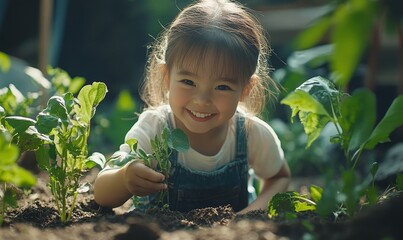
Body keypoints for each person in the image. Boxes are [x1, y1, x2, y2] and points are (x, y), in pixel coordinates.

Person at [93, 0, 291, 214]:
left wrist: (249, 216)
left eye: (222, 87)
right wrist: (124, 179)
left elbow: (279, 177)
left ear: (245, 88)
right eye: (188, 82)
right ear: (167, 76)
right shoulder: (156, 128)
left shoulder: (251, 134)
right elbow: (102, 194)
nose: (202, 100)